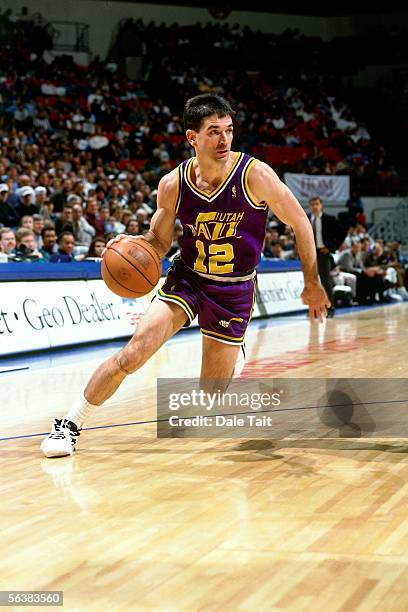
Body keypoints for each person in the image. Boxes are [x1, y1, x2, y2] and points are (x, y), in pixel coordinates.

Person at [41, 94, 329, 458]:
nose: (224, 140)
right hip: (188, 277)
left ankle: (232, 350)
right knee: (133, 354)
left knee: (211, 394)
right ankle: (69, 424)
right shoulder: (173, 184)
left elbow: (301, 222)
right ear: (193, 138)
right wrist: (131, 245)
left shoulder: (255, 175)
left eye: (228, 131)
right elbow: (158, 242)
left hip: (234, 288)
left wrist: (312, 281)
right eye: (214, 132)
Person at [308, 196, 347, 317]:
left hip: (323, 253)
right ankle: (314, 309)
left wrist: (331, 247)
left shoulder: (329, 219)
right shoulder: (306, 218)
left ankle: (330, 308)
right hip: (310, 254)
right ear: (310, 206)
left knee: (326, 281)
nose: (315, 206)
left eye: (317, 204)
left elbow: (342, 233)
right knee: (311, 282)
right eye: (313, 204)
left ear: (321, 205)